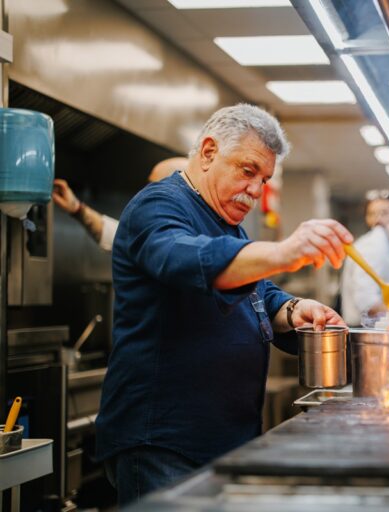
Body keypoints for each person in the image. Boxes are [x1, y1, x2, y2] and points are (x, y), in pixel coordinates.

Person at [94, 104, 353, 506]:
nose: (255, 190)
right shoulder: (159, 206)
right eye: (248, 171)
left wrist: (294, 309)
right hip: (164, 441)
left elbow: (258, 294)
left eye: (263, 179)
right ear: (209, 151)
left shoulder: (227, 220)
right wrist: (287, 251)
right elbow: (193, 261)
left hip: (223, 436)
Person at [51, 157, 188, 251]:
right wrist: (76, 209)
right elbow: (114, 233)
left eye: (154, 189)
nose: (146, 196)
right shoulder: (149, 239)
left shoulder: (189, 247)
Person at [341, 197, 389, 327]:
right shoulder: (373, 246)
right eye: (372, 214)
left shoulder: (385, 243)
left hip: (374, 327)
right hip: (364, 330)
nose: (378, 219)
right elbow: (367, 300)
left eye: (384, 213)